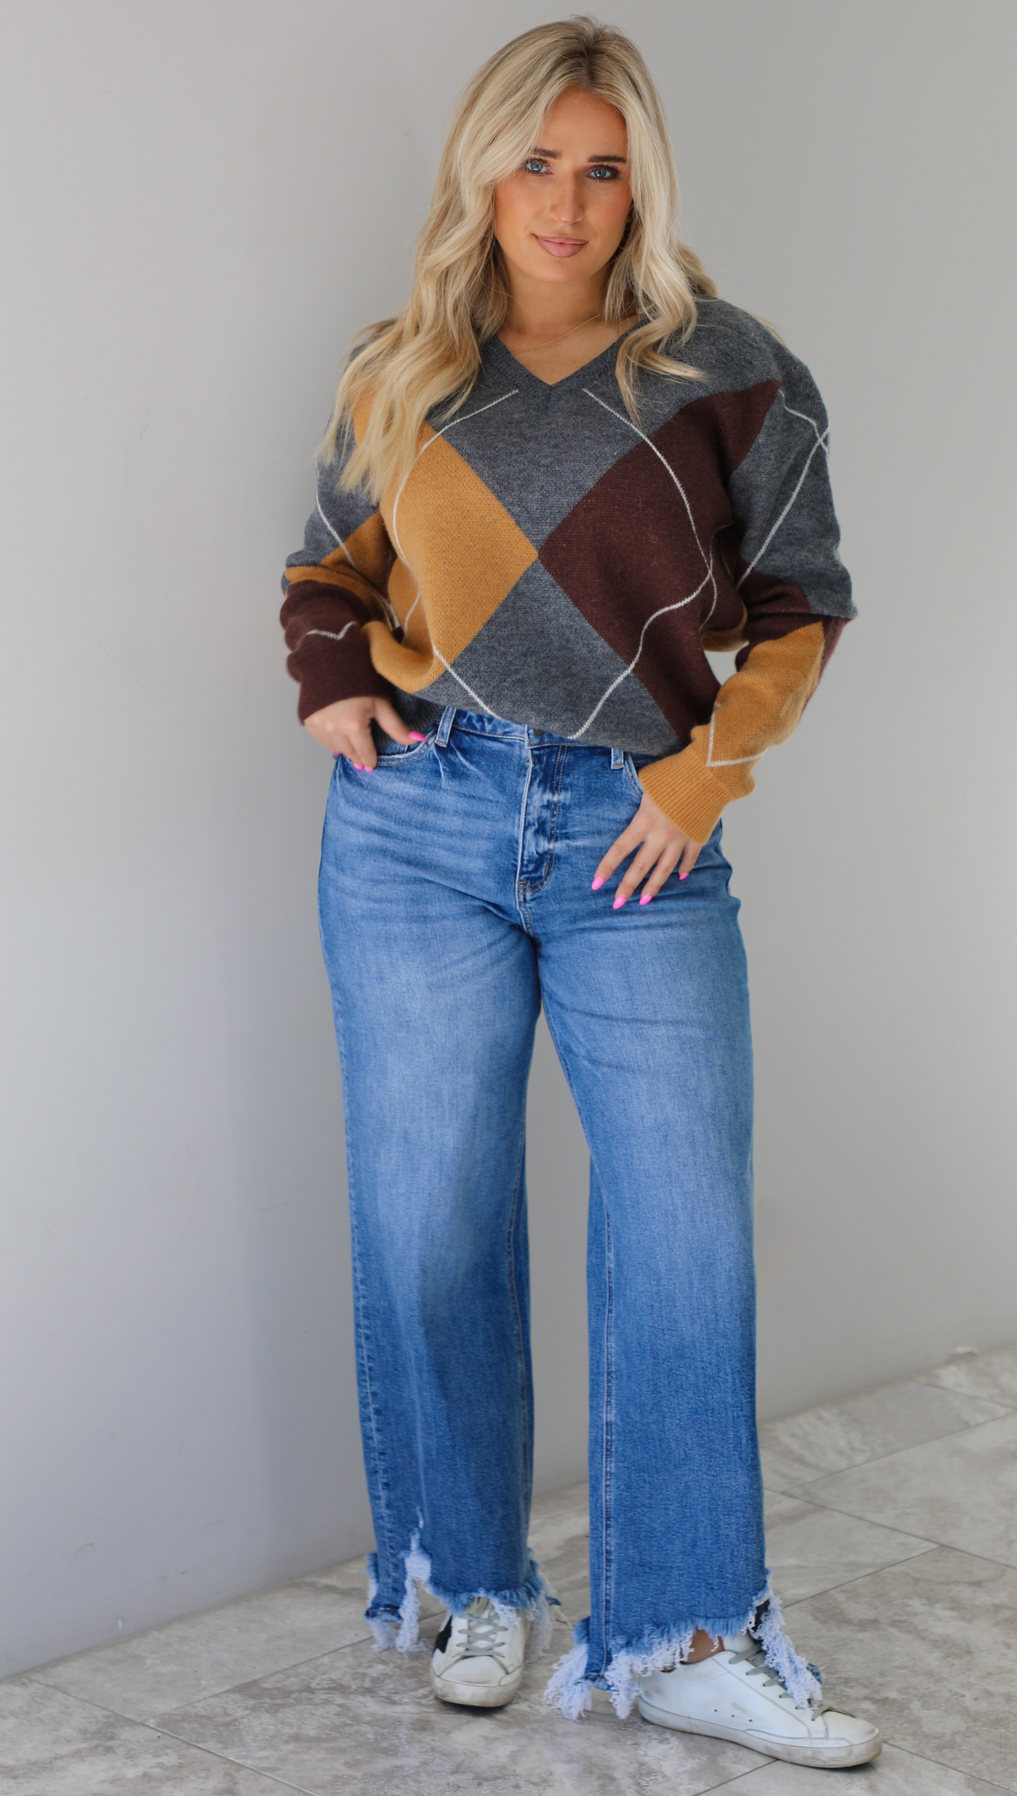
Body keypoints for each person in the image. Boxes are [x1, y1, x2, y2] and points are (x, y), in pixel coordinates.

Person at [279, 15, 876, 1771]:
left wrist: (705, 774)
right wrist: (331, 683)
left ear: (645, 181)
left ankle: (689, 1629)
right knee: (431, 1219)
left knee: (682, 1228)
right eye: (536, 159)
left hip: (639, 842)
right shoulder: (402, 369)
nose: (568, 199)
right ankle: (473, 1581)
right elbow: (328, 573)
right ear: (481, 166)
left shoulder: (731, 370)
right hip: (416, 825)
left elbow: (805, 600)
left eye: (602, 164)